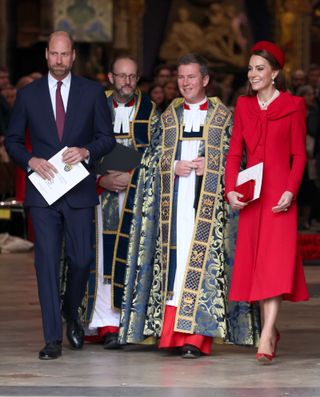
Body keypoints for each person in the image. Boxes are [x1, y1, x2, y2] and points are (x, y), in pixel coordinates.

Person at [119, 53, 260, 358]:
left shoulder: (224, 118)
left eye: (191, 77)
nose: (184, 83)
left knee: (201, 268)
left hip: (206, 211)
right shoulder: (168, 117)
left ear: (205, 80)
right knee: (175, 266)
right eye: (180, 77)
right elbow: (148, 160)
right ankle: (170, 336)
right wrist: (172, 164)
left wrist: (211, 166)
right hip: (173, 209)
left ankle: (197, 338)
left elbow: (241, 161)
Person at [5, 31, 115, 360]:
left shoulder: (93, 92)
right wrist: (30, 160)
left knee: (82, 260)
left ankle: (71, 312)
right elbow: (12, 141)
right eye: (54, 54)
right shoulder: (27, 95)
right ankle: (52, 338)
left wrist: (86, 151)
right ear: (46, 56)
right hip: (43, 193)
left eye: (64, 54)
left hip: (79, 190)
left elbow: (106, 138)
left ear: (74, 56)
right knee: (47, 264)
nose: (59, 60)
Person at [225, 41, 309, 364]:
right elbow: (234, 154)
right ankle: (270, 331)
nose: (253, 74)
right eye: (250, 68)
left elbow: (299, 155)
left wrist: (290, 190)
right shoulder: (244, 106)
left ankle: (265, 335)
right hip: (252, 198)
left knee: (274, 266)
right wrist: (230, 189)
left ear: (275, 72)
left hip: (279, 199)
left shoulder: (293, 105)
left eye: (260, 68)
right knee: (259, 268)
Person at [83, 55, 160, 349]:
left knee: (128, 259)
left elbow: (157, 154)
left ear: (138, 78)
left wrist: (133, 177)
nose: (126, 82)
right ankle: (101, 322)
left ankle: (125, 323)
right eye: (121, 76)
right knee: (100, 258)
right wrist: (100, 181)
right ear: (110, 77)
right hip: (98, 198)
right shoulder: (93, 106)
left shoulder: (151, 112)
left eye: (132, 76)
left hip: (135, 197)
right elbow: (76, 148)